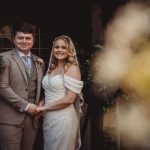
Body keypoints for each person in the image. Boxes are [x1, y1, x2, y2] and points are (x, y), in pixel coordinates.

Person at [0, 22, 45, 150]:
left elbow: (41, 87)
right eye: (20, 38)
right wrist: (26, 106)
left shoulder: (39, 61)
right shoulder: (3, 58)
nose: (24, 41)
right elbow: (2, 87)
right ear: (14, 39)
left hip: (32, 120)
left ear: (33, 40)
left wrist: (42, 102)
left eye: (28, 38)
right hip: (9, 120)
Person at [37, 35, 84, 150]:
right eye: (57, 47)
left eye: (63, 47)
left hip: (64, 118)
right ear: (53, 49)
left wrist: (44, 108)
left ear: (69, 51)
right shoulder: (51, 68)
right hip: (48, 117)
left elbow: (69, 99)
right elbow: (51, 90)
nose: (59, 50)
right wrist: (42, 102)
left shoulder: (73, 69)